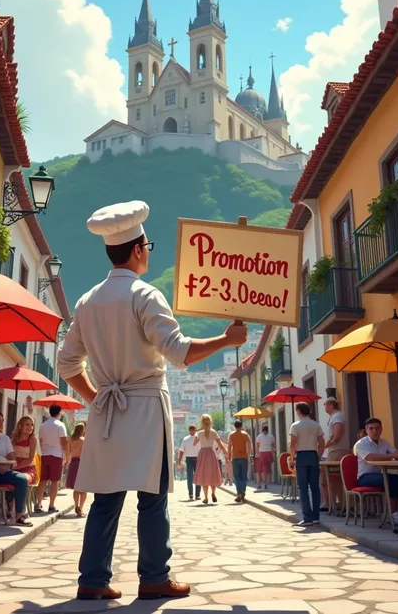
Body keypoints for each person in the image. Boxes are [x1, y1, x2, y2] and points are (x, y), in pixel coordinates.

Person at [57, 200, 247, 601]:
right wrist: (227, 341)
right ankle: (154, 577)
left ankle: (91, 582)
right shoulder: (145, 295)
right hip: (144, 407)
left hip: (108, 412)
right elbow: (180, 351)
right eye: (149, 247)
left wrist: (94, 397)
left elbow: (66, 362)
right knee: (153, 498)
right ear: (139, 249)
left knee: (105, 500)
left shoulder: (87, 301)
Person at [354, 417, 398, 526]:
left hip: (380, 475)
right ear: (366, 429)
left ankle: (394, 512)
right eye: (371, 428)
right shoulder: (361, 444)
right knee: (391, 479)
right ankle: (393, 513)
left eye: (377, 428)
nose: (374, 431)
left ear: (381, 429)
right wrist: (392, 455)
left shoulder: (384, 443)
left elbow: (395, 452)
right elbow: (370, 457)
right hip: (365, 477)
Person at [289, 402, 324, 527]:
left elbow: (292, 444)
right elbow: (322, 442)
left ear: (298, 411)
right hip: (313, 455)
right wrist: (319, 454)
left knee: (302, 487)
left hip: (302, 455)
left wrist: (291, 458)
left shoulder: (295, 426)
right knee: (315, 486)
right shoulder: (316, 425)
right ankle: (316, 517)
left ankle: (307, 517)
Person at [35, 405, 68, 514]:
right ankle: (51, 505)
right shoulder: (60, 425)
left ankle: (38, 503)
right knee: (55, 481)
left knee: (43, 480)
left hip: (45, 454)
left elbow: (40, 441)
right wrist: (67, 457)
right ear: (59, 412)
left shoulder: (43, 425)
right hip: (56, 455)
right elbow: (64, 443)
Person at [319, 397, 350, 512]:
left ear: (331, 404)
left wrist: (325, 446)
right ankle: (331, 503)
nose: (324, 406)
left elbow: (337, 435)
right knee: (330, 479)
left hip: (337, 451)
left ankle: (332, 503)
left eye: (325, 404)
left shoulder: (337, 416)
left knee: (327, 477)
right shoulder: (334, 417)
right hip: (333, 451)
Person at [193, 414, 228, 504]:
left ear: (201, 422)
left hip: (203, 454)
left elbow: (194, 443)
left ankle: (205, 497)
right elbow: (220, 444)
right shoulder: (214, 432)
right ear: (210, 422)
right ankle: (213, 493)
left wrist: (198, 436)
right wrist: (226, 454)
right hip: (211, 454)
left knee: (204, 476)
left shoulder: (199, 433)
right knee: (213, 474)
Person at [228, 419, 252, 502]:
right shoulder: (245, 435)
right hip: (244, 457)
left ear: (234, 426)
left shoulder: (232, 435)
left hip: (235, 457)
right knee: (243, 476)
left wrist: (229, 455)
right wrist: (248, 456)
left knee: (237, 476)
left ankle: (239, 492)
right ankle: (242, 492)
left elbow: (229, 446)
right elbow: (249, 446)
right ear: (241, 426)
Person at [66, 422, 87, 517]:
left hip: (73, 462)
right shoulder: (83, 440)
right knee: (83, 487)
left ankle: (76, 505)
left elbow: (67, 452)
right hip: (82, 462)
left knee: (76, 486)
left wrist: (67, 462)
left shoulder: (70, 440)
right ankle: (81, 508)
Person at [12, 416, 37, 484]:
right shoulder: (14, 439)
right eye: (27, 424)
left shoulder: (32, 439)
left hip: (28, 469)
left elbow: (30, 459)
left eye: (32, 425)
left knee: (22, 479)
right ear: (20, 426)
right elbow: (11, 456)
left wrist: (16, 468)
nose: (30, 427)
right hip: (14, 468)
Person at [178, 425, 201, 501]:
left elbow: (181, 451)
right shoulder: (198, 438)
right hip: (197, 458)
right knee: (197, 476)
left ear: (189, 430)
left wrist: (179, 461)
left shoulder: (185, 439)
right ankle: (197, 494)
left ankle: (191, 494)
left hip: (189, 458)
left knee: (190, 477)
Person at [256, 424, 276, 489]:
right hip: (268, 453)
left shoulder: (259, 436)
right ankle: (266, 482)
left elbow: (257, 446)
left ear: (262, 430)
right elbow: (274, 445)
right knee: (267, 469)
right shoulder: (271, 436)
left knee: (260, 470)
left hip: (261, 453)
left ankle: (259, 483)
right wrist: (273, 452)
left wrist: (257, 453)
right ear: (267, 430)